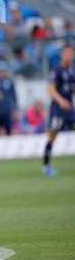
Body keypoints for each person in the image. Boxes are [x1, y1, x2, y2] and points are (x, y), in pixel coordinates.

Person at [43, 43, 75, 177]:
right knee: (52, 136)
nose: (69, 56)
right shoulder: (56, 70)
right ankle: (46, 166)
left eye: (71, 53)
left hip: (70, 108)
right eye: (66, 53)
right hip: (57, 109)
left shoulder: (73, 71)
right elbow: (51, 88)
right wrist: (61, 101)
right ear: (62, 55)